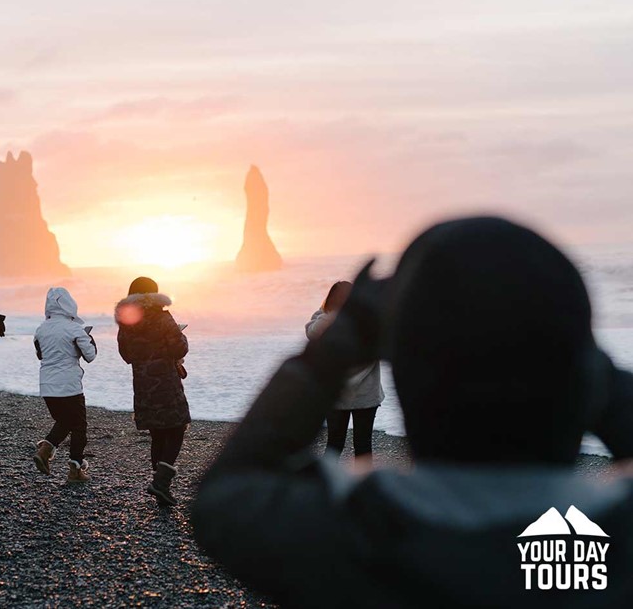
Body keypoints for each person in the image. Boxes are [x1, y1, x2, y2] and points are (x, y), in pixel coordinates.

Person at [192, 217, 633, 607]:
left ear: (406, 376)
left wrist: (344, 339)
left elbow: (226, 491)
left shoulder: (341, 544)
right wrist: (577, 355)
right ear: (582, 380)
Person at [116, 276, 190, 506]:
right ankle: (161, 484)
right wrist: (179, 334)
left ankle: (160, 486)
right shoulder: (162, 316)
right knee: (177, 429)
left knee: (157, 434)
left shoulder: (127, 322)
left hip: (143, 384)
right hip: (166, 382)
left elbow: (126, 355)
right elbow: (180, 346)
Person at [306, 280, 384, 463]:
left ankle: (326, 486)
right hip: (366, 396)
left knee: (334, 444)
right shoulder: (371, 323)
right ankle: (364, 487)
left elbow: (311, 331)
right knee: (363, 446)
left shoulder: (328, 324)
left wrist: (328, 309)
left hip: (336, 394)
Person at [32, 287, 97, 483]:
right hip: (69, 385)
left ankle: (45, 451)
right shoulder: (74, 328)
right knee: (79, 427)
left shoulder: (41, 329)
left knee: (65, 422)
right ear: (69, 304)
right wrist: (88, 338)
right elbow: (90, 356)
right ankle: (75, 470)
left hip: (47, 385)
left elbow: (40, 355)